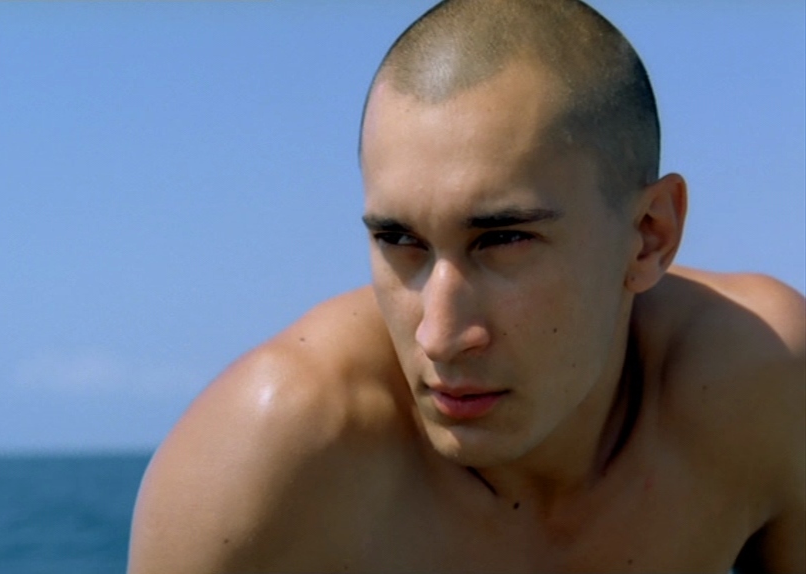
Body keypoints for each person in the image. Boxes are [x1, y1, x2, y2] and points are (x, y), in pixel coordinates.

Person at [128, 0, 805, 572]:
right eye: (400, 241)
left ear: (648, 236)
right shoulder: (268, 463)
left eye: (503, 240)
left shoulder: (764, 383)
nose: (439, 336)